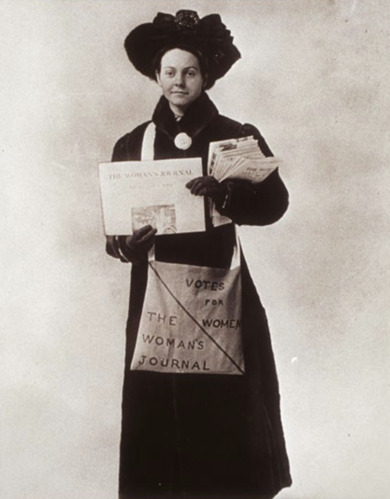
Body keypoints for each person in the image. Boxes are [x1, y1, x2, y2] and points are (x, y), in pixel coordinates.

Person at [106, 10, 292, 499]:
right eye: (169, 72)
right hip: (157, 301)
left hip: (219, 293)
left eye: (189, 72)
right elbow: (113, 234)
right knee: (159, 421)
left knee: (226, 415)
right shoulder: (132, 144)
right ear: (156, 75)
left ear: (206, 75)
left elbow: (275, 205)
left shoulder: (236, 136)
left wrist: (225, 196)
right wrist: (128, 245)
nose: (179, 82)